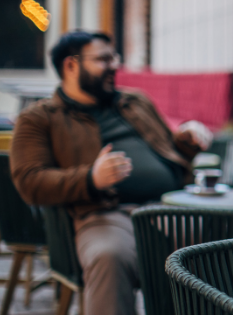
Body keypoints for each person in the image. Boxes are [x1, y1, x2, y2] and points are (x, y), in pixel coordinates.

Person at [10, 31, 212, 315]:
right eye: (103, 59)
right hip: (104, 214)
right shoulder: (40, 118)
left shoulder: (136, 102)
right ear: (71, 65)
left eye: (114, 57)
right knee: (109, 256)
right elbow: (30, 181)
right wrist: (90, 178)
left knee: (224, 245)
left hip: (172, 207)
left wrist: (186, 142)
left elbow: (168, 150)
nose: (114, 65)